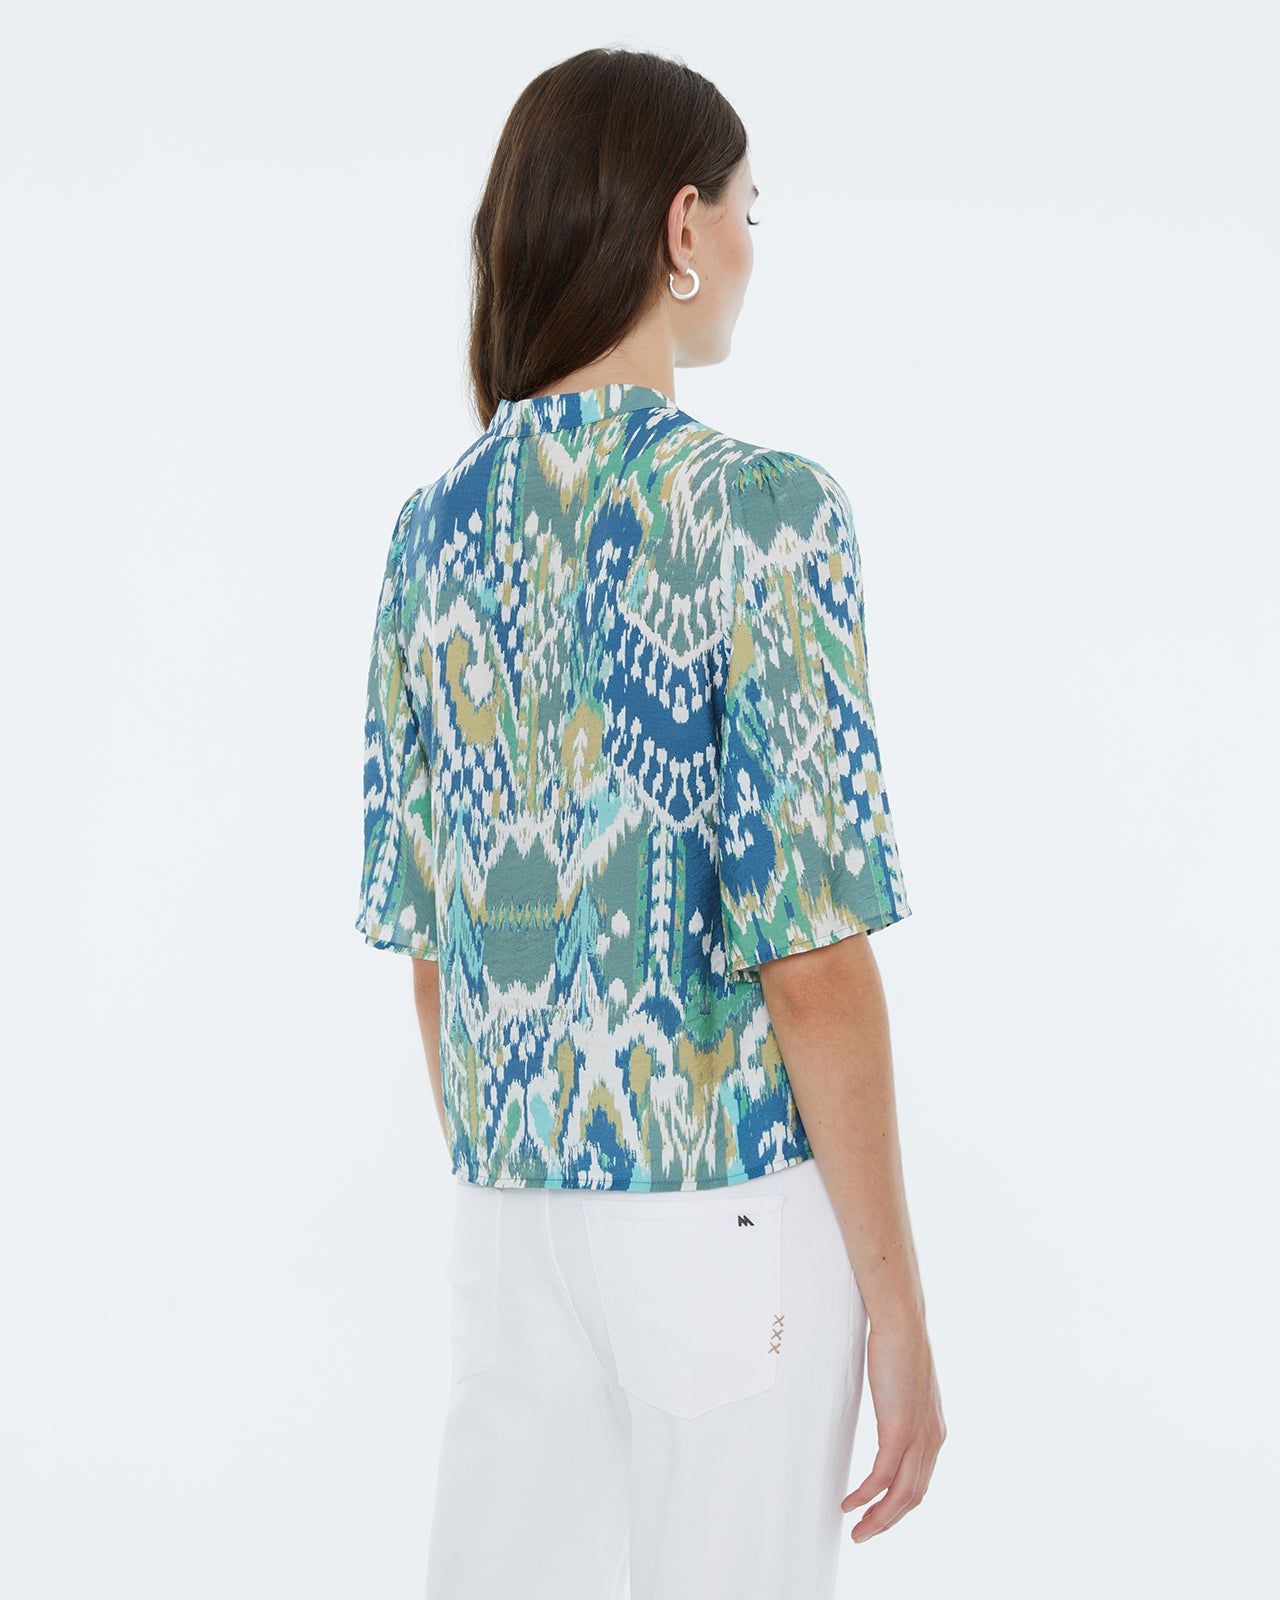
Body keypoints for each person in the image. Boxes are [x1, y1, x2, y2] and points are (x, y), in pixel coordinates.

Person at [355, 43, 945, 1600]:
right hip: (722, 1212)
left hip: (510, 1219)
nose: (751, 244)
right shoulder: (763, 509)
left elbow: (432, 944)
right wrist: (898, 1310)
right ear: (684, 228)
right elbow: (811, 957)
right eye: (749, 208)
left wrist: (527, 1175)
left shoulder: (430, 535)